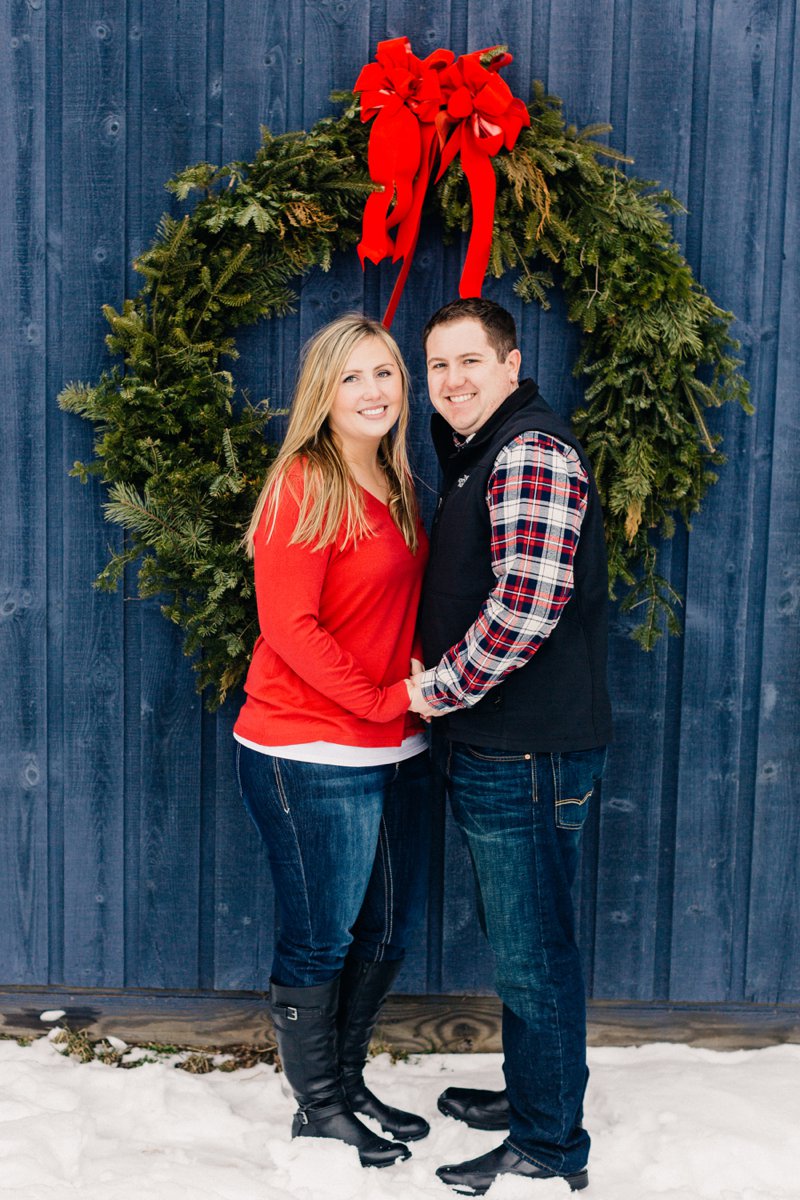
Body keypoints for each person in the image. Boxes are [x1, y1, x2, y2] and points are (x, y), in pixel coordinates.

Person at [407, 298, 613, 1195]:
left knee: (535, 955)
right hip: (503, 749)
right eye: (438, 367)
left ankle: (548, 1141)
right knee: (525, 941)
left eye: (470, 362)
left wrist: (439, 690)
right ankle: (538, 1096)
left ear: (512, 362)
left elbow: (525, 610)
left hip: (525, 755)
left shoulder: (528, 450)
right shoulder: (478, 452)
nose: (452, 382)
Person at [233, 314, 432, 1168]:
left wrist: (414, 673)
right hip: (309, 749)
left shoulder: (396, 478)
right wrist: (384, 697)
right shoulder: (306, 484)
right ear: (324, 391)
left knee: (384, 930)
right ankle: (316, 1106)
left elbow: (387, 608)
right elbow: (293, 630)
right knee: (321, 935)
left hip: (395, 744)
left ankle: (345, 1080)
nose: (373, 391)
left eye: (385, 373)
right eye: (352, 377)